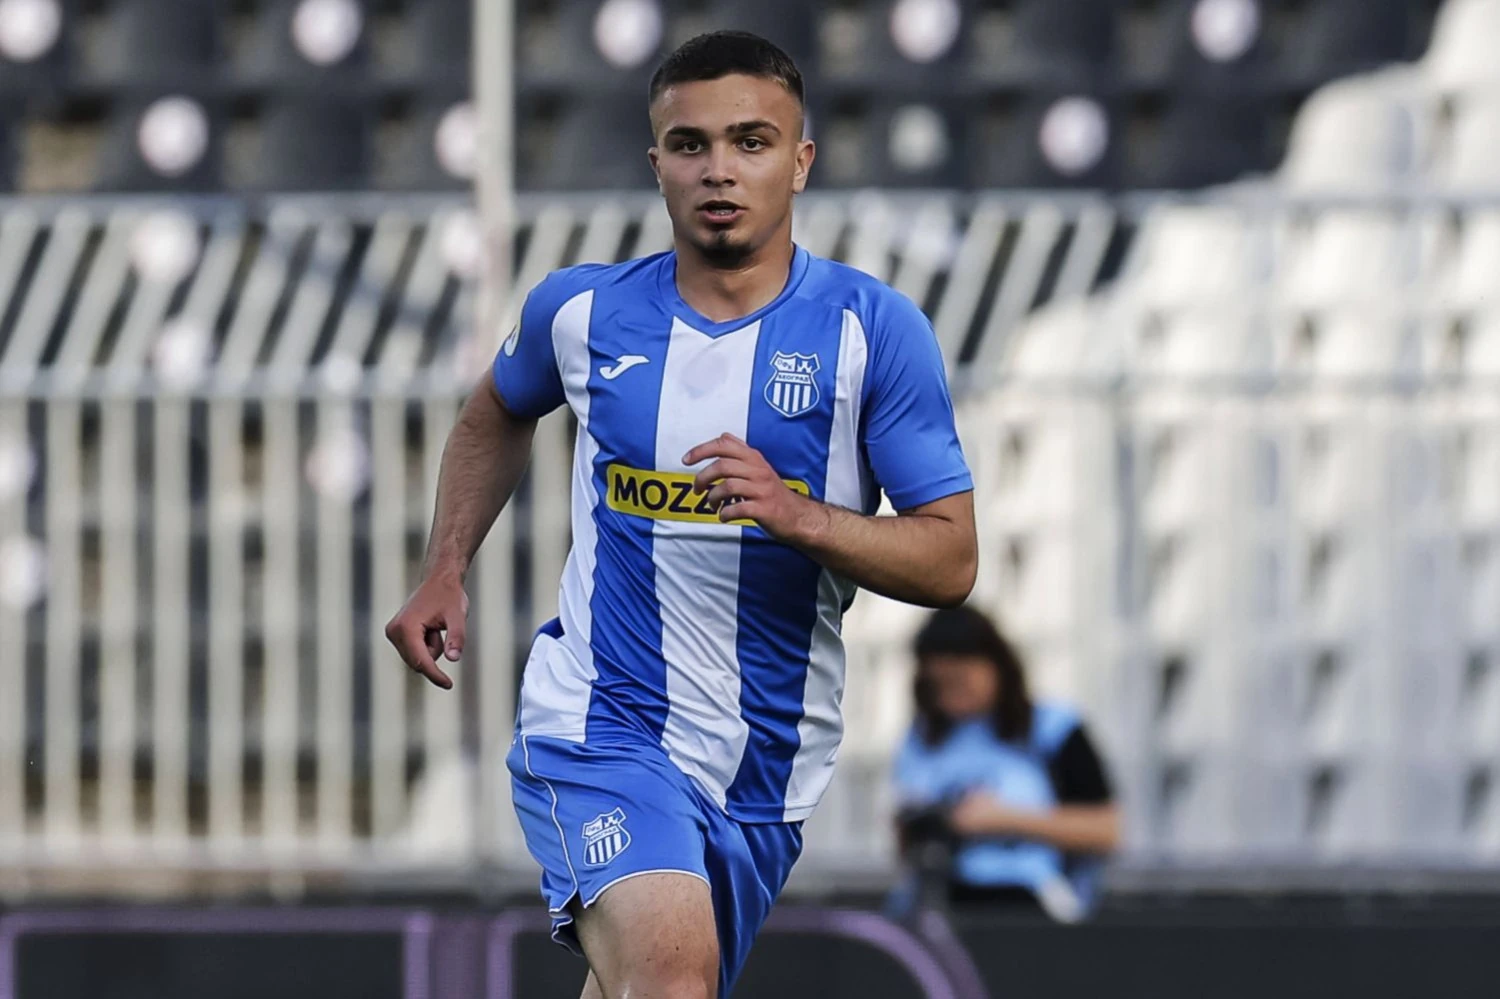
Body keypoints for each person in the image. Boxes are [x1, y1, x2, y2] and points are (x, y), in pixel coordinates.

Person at [384, 31, 977, 999]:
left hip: (764, 767)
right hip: (601, 721)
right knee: (670, 982)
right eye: (691, 145)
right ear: (656, 163)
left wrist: (801, 517)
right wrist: (445, 564)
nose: (719, 170)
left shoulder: (873, 334)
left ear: (801, 161)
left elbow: (951, 560)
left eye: (751, 141)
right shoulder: (581, 314)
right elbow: (495, 409)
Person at [893, 606, 1119, 922]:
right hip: (944, 902)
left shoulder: (1053, 727)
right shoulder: (923, 737)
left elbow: (1106, 829)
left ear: (996, 665)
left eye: (960, 681)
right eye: (939, 686)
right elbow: (904, 837)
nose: (951, 698)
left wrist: (1004, 820)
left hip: (1036, 904)